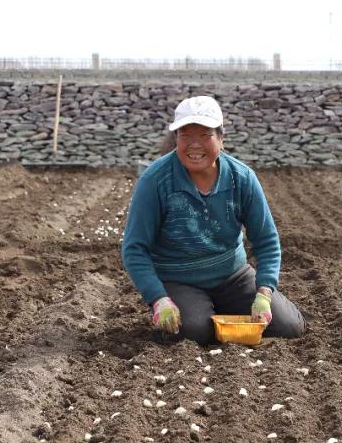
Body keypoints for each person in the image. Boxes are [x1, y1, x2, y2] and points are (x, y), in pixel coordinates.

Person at [121, 96, 305, 344]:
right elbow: (135, 248)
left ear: (221, 139)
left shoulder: (241, 178)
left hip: (234, 276)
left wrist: (264, 292)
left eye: (205, 135)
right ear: (175, 139)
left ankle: (221, 309)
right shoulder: (155, 180)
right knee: (194, 331)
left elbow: (267, 240)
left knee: (288, 326)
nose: (194, 145)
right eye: (185, 135)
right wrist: (158, 298)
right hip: (178, 279)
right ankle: (194, 311)